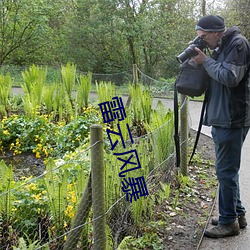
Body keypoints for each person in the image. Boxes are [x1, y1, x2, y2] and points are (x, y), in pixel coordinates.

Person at [192, 15, 250, 238]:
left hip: (232, 118)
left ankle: (228, 223)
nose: (203, 41)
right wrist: (202, 60)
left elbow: (229, 77)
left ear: (216, 32)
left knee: (225, 171)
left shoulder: (238, 44)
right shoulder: (221, 46)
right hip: (222, 117)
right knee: (227, 171)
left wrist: (205, 61)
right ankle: (237, 214)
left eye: (204, 37)